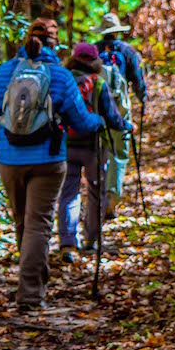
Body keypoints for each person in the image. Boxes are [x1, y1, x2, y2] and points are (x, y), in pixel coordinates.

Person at [0, 17, 104, 309]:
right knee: (38, 225)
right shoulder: (59, 76)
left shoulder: (2, 74)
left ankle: (36, 277)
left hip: (10, 160)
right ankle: (30, 295)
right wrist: (99, 121)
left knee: (25, 223)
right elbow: (80, 122)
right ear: (54, 44)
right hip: (48, 161)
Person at [57, 42, 132, 263]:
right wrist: (127, 126)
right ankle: (91, 239)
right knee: (95, 191)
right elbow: (113, 118)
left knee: (68, 193)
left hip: (66, 145)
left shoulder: (64, 81)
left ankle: (68, 243)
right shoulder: (98, 84)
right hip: (93, 147)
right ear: (95, 61)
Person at [93, 12, 148, 214]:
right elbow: (138, 81)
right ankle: (112, 198)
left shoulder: (94, 51)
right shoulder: (128, 51)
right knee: (119, 154)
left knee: (100, 154)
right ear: (117, 32)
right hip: (121, 112)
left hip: (98, 112)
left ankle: (96, 198)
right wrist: (143, 98)